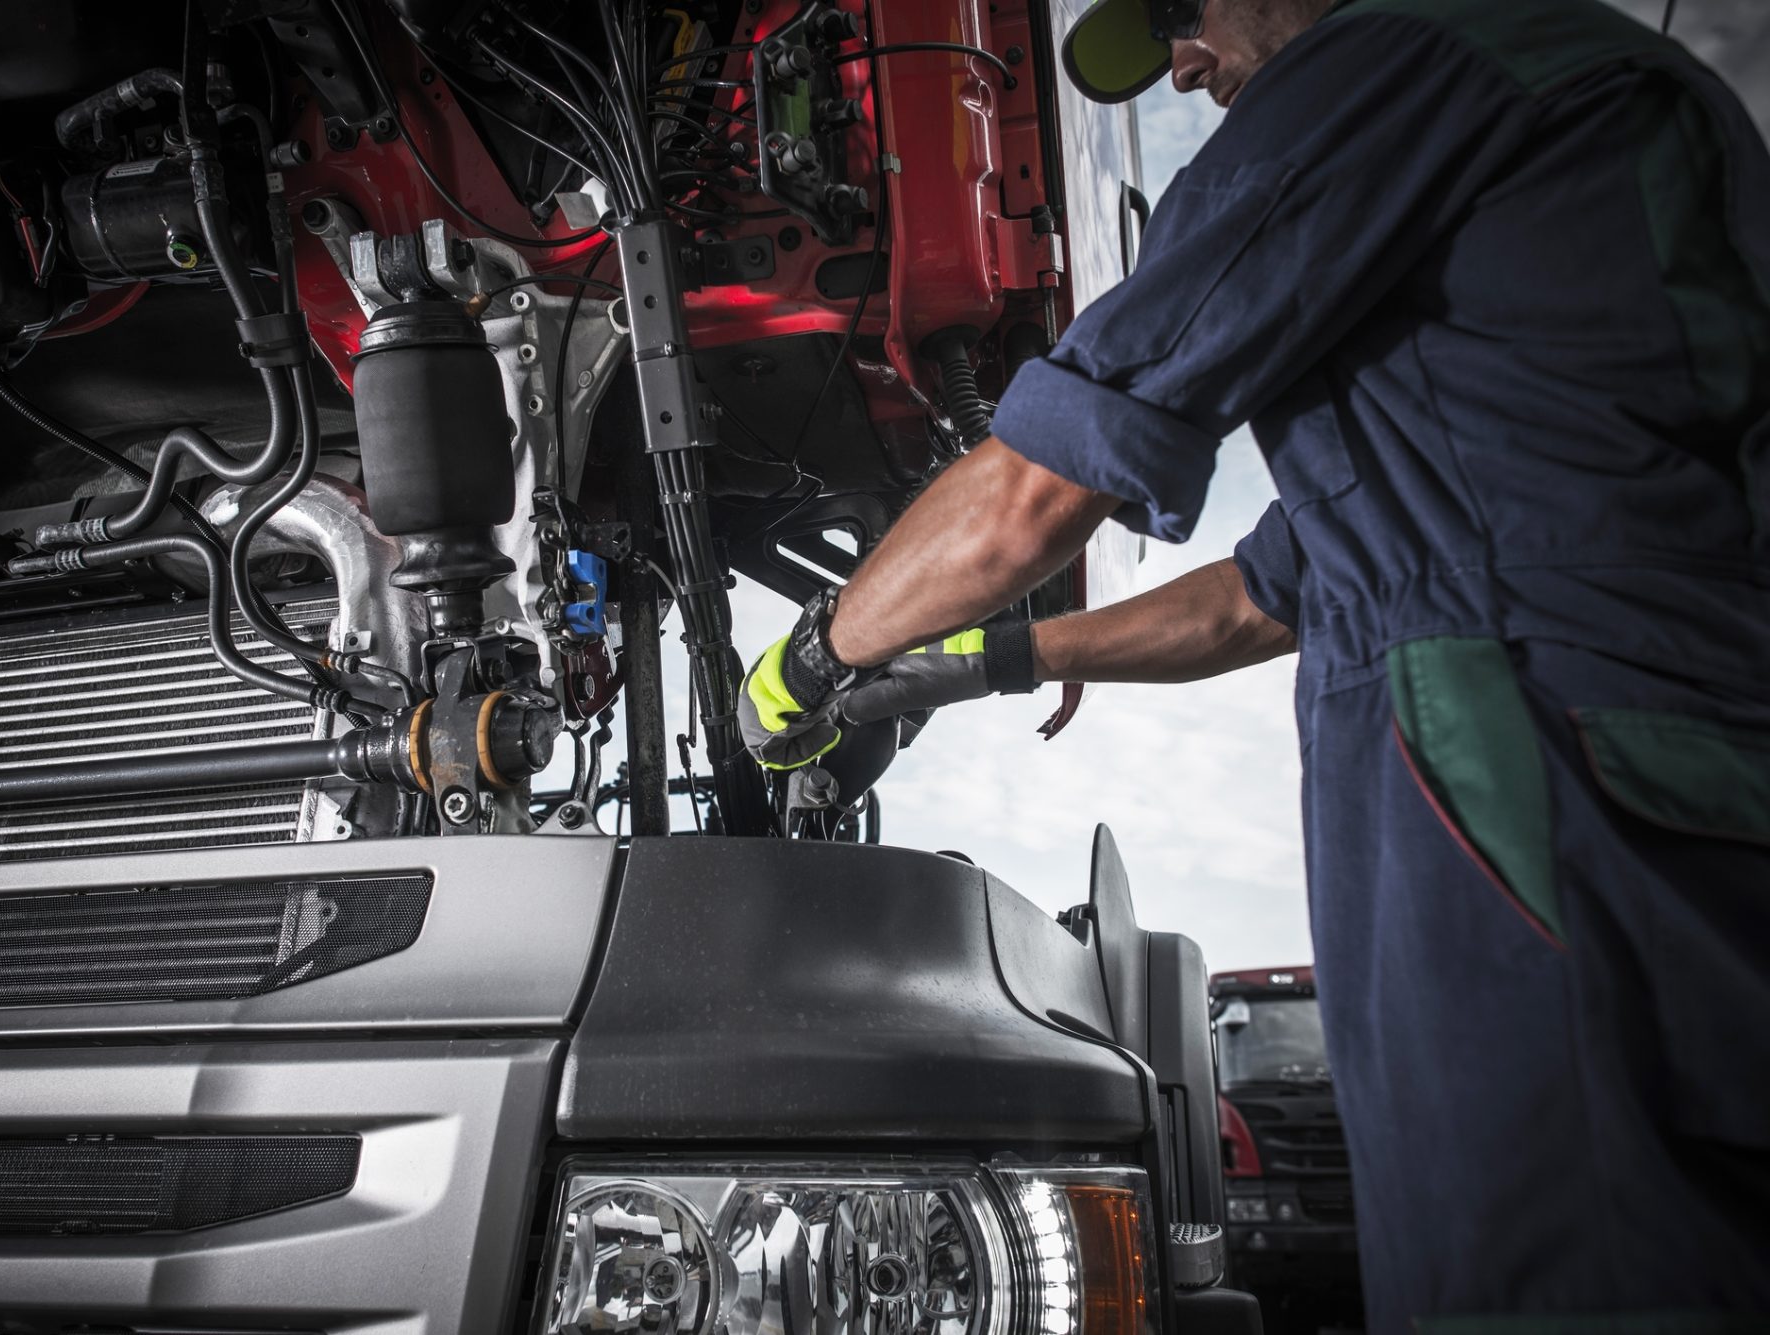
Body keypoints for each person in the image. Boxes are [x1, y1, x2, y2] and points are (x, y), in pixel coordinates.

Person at [739, 0, 1770, 1328]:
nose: (1181, 61)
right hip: (1653, 770)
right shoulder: (1553, 135)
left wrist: (806, 664)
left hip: (1541, 782)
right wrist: (994, 661)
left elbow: (1030, 498)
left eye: (1184, 10)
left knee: (1553, 1270)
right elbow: (1263, 596)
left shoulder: (1392, 67)